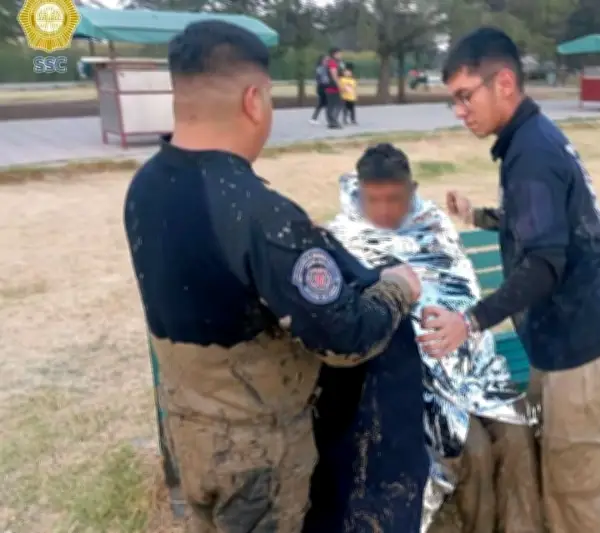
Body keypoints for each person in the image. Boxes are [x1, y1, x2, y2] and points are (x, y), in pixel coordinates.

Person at [123, 20, 424, 533]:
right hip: (257, 461)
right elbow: (345, 337)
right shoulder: (261, 215)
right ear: (254, 100)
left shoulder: (145, 185)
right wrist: (399, 288)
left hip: (188, 437)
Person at [419, 27, 600, 533]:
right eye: (454, 100)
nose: (459, 111)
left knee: (572, 503)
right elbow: (542, 223)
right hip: (559, 346)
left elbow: (544, 263)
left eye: (465, 96)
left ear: (506, 83)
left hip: (581, 353)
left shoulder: (532, 155)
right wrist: (481, 216)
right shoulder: (529, 143)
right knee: (549, 479)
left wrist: (469, 321)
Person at [327, 143, 541, 533]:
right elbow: (352, 325)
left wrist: (457, 330)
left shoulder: (432, 223)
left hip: (468, 361)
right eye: (375, 199)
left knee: (516, 435)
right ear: (360, 194)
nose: (386, 210)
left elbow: (463, 291)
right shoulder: (342, 239)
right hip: (405, 379)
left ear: (412, 189)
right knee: (470, 447)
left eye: (396, 198)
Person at [324, 47, 343, 129]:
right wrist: (339, 85)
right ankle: (333, 121)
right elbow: (334, 75)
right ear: (335, 54)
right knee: (337, 104)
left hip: (329, 85)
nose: (340, 55)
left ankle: (331, 121)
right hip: (333, 86)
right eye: (339, 53)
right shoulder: (332, 63)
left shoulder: (330, 62)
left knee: (331, 105)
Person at [309, 54, 328, 125]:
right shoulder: (320, 68)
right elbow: (319, 79)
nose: (327, 62)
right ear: (322, 61)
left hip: (325, 86)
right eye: (326, 60)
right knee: (322, 103)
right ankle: (314, 118)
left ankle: (314, 118)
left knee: (324, 103)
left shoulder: (326, 68)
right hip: (322, 87)